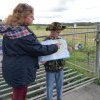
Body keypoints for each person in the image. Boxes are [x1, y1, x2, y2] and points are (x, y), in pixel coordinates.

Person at [0, 3, 60, 100]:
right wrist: (55, 47)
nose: (34, 18)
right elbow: (38, 49)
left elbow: (27, 48)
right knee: (20, 95)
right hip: (21, 71)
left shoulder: (11, 29)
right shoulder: (23, 34)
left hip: (12, 68)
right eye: (31, 16)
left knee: (17, 92)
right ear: (24, 17)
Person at [44, 22, 66, 100]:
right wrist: (43, 60)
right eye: (57, 32)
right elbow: (43, 54)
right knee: (50, 87)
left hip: (60, 68)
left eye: (59, 32)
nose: (59, 33)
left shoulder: (61, 40)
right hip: (50, 69)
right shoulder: (46, 41)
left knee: (60, 86)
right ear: (52, 31)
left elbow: (64, 51)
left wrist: (68, 50)